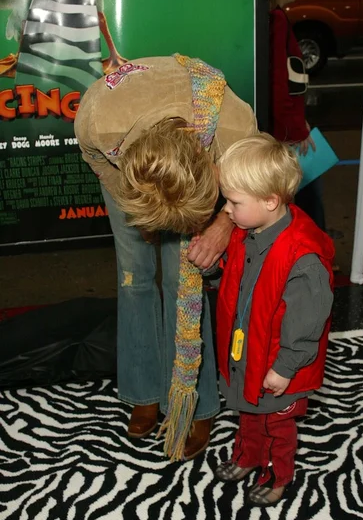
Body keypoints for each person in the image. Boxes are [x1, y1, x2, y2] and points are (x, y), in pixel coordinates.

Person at [74, 55, 258, 462]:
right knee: (134, 277)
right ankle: (145, 392)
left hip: (202, 152)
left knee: (184, 282)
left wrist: (222, 224)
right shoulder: (97, 120)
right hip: (129, 172)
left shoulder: (233, 124)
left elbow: (256, 180)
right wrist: (137, 206)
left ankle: (194, 400)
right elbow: (99, 163)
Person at [213, 133, 334, 506]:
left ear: (270, 201)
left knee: (276, 425)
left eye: (233, 202)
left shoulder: (302, 257)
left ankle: (277, 475)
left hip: (281, 365)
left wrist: (285, 368)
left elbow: (307, 322)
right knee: (248, 412)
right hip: (250, 353)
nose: (227, 210)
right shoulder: (248, 230)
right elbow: (236, 277)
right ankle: (248, 456)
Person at [269, 0, 326, 232]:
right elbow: (279, 82)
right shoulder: (277, 19)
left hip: (281, 127)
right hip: (285, 133)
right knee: (306, 201)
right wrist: (296, 129)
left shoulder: (271, 17)